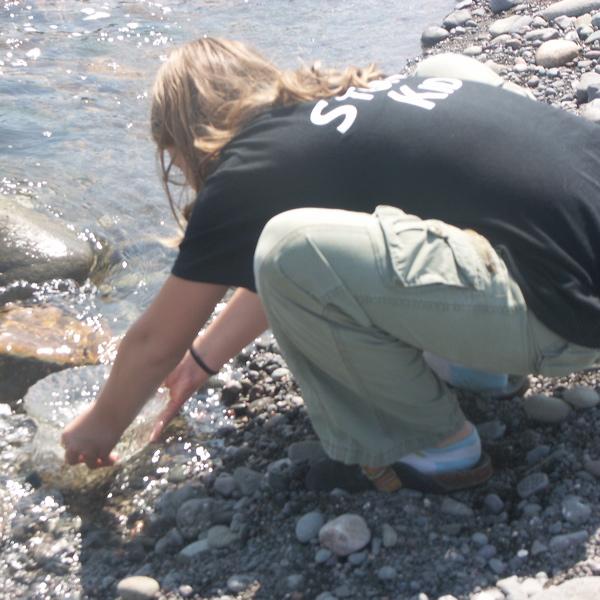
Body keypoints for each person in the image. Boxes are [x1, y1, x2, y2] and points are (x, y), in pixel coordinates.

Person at [61, 38, 600, 493]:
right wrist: (199, 364)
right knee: (444, 70)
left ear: (182, 140)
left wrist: (101, 427)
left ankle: (432, 447)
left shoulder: (246, 170)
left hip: (569, 308)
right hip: (580, 234)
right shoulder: (342, 110)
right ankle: (478, 367)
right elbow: (307, 266)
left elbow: (157, 341)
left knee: (290, 246)